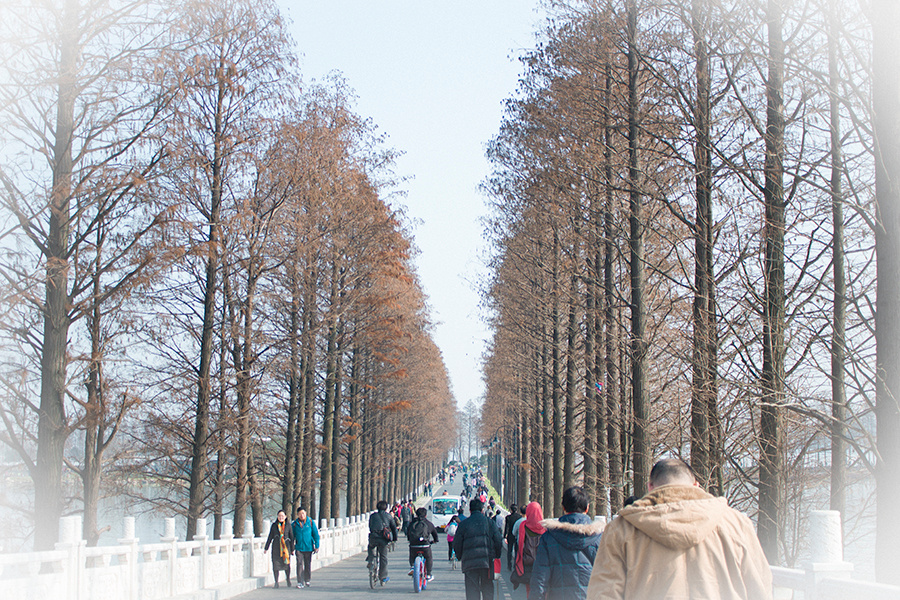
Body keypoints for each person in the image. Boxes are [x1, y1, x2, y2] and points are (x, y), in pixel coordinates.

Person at [585, 458, 773, 600]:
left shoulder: (621, 529)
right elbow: (761, 588)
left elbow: (604, 593)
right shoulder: (736, 524)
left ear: (651, 487)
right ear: (696, 485)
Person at [530, 486, 603, 600]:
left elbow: (540, 579)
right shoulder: (599, 538)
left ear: (563, 507)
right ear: (587, 508)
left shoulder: (549, 538)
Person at [453, 498, 503, 600]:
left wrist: (459, 556)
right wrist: (497, 555)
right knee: (487, 588)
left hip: (469, 563)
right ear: (482, 510)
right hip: (487, 562)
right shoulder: (490, 523)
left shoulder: (463, 524)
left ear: (470, 510)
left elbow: (457, 543)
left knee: (472, 590)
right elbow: (498, 540)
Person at [513, 501, 546, 595]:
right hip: (542, 563)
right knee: (542, 589)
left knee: (529, 589)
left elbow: (520, 545)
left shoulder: (523, 526)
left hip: (527, 562)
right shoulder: (545, 528)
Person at [366, 500, 398, 584]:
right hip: (383, 539)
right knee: (383, 557)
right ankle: (383, 577)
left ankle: (370, 560)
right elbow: (394, 528)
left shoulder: (373, 516)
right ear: (386, 507)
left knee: (371, 546)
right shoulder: (388, 516)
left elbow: (370, 526)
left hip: (373, 537)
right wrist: (394, 539)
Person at [407, 506, 439, 581]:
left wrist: (410, 540)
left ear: (416, 515)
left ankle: (412, 566)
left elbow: (408, 533)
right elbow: (435, 534)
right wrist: (435, 540)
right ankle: (428, 574)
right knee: (428, 557)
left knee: (412, 555)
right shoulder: (429, 524)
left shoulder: (412, 523)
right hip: (425, 545)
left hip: (413, 545)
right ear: (426, 515)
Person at [264, 510, 294, 589]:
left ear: (285, 517)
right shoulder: (274, 525)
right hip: (276, 548)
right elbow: (270, 537)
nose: (281, 517)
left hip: (286, 549)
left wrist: (292, 549)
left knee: (286, 565)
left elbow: (292, 537)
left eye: (282, 516)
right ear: (277, 517)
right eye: (279, 516)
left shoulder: (288, 525)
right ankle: (276, 582)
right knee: (275, 565)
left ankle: (288, 579)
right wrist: (266, 548)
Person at [291, 507, 319, 588]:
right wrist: (292, 548)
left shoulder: (310, 522)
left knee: (307, 564)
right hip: (299, 547)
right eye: (300, 514)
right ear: (297, 514)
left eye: (303, 513)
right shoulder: (295, 524)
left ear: (306, 513)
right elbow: (292, 537)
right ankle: (300, 581)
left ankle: (307, 579)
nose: (302, 515)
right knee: (299, 564)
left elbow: (315, 535)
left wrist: (317, 546)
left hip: (309, 547)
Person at [504, 504, 520, 570]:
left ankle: (509, 565)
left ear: (511, 510)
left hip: (510, 536)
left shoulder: (508, 517)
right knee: (516, 551)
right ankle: (515, 565)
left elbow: (506, 527)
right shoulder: (519, 517)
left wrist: (505, 535)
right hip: (516, 536)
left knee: (509, 551)